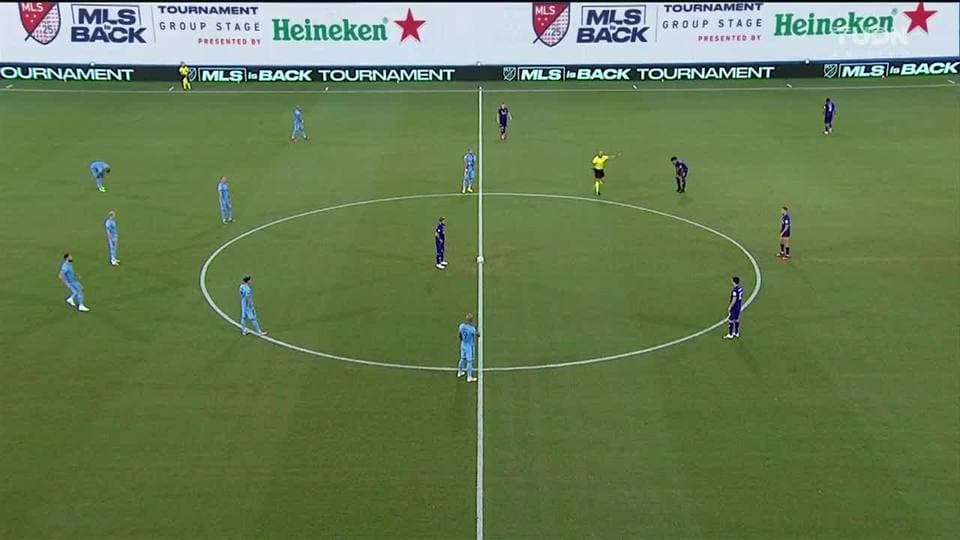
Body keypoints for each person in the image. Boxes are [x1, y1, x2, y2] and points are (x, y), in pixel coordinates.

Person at [457, 313, 479, 383]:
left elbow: (460, 334)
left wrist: (462, 341)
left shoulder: (461, 326)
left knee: (462, 358)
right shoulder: (472, 329)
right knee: (470, 361)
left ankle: (459, 372)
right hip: (469, 346)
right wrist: (478, 333)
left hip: (463, 344)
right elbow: (478, 335)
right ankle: (469, 377)